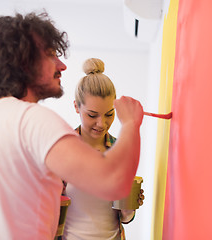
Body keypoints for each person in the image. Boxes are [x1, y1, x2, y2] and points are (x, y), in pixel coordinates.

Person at [0, 12, 143, 240]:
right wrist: (130, 123)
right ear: (24, 63)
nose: (62, 65)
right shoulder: (32, 120)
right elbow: (113, 182)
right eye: (51, 55)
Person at [62, 58, 144, 240]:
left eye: (109, 114)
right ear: (76, 106)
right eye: (92, 115)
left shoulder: (120, 148)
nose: (102, 124)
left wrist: (129, 207)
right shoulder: (62, 149)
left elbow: (125, 217)